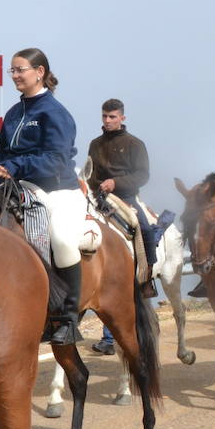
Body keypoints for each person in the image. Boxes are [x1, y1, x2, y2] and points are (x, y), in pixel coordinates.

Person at [0, 47, 86, 344]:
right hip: (21, 188)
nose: (15, 76)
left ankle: (69, 318)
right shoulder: (13, 113)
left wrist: (13, 166)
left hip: (59, 190)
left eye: (20, 70)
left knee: (61, 240)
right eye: (13, 71)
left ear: (40, 72)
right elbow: (1, 151)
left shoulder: (56, 113)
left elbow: (56, 160)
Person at [86, 98, 173, 354]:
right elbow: (90, 173)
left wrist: (116, 183)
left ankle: (147, 277)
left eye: (112, 117)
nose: (108, 120)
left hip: (125, 197)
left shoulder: (135, 144)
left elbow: (143, 175)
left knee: (144, 228)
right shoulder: (95, 144)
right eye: (105, 116)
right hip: (98, 199)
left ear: (122, 118)